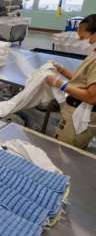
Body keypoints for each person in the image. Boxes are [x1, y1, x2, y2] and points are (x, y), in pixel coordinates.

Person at [46, 14, 96, 149]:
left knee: (65, 151)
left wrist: (60, 84)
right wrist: (63, 71)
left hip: (82, 115)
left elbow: (92, 97)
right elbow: (84, 81)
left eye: (83, 37)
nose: (81, 40)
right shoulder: (94, 54)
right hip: (76, 110)